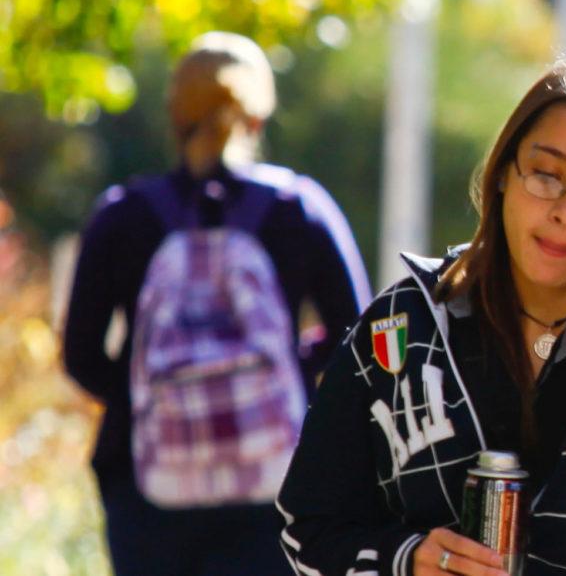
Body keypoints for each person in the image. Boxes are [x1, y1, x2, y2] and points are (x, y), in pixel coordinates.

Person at [275, 55, 566, 576]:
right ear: (503, 175)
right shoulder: (403, 324)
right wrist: (406, 561)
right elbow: (307, 528)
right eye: (546, 176)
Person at [61, 32, 370, 576]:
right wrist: (287, 368)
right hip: (271, 483)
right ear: (258, 117)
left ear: (175, 119)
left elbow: (80, 355)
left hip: (146, 489)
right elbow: (359, 335)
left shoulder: (122, 216)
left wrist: (149, 391)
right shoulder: (299, 209)